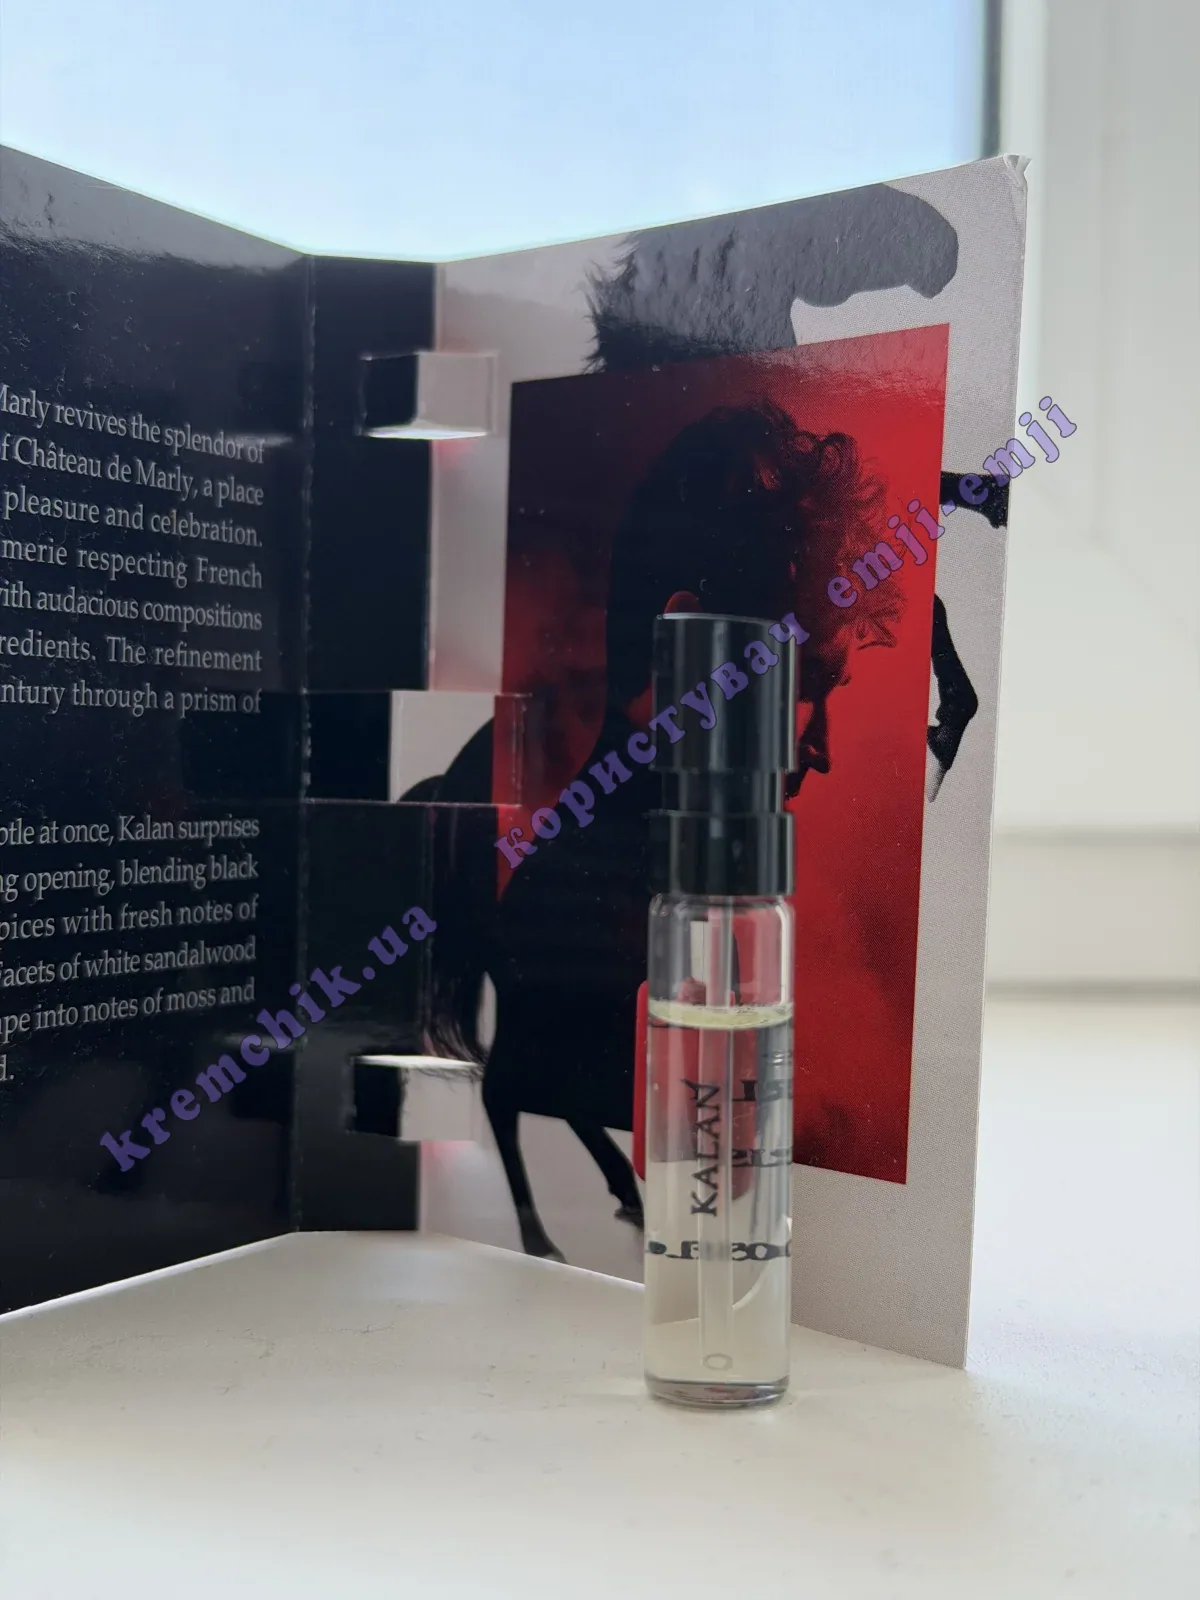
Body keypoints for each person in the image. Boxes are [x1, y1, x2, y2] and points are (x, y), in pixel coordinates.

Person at [414, 401, 903, 1260]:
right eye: (802, 691)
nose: (821, 748)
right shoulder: (601, 893)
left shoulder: (687, 889)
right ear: (691, 648)